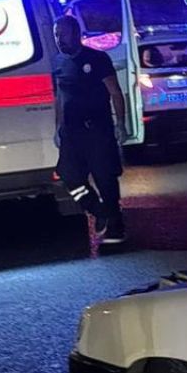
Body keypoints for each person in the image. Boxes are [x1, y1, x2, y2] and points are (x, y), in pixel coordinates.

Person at [52, 15, 128, 244]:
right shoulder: (57, 63)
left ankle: (116, 226)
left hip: (97, 130)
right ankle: (100, 211)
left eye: (62, 34)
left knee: (105, 177)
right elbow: (59, 97)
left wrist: (121, 124)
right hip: (72, 133)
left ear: (76, 34)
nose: (59, 39)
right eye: (56, 35)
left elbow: (115, 92)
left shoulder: (96, 59)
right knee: (69, 176)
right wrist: (57, 127)